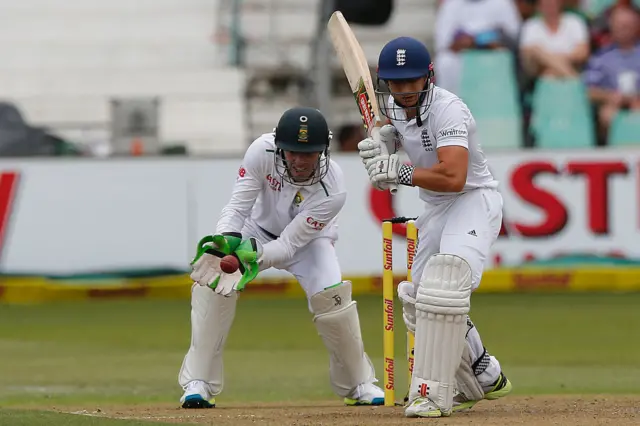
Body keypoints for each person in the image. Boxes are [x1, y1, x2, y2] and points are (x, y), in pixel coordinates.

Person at [178, 107, 384, 408]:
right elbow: (237, 208)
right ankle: (198, 382)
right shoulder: (261, 151)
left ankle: (360, 383)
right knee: (214, 286)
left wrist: (252, 258)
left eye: (309, 154)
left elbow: (288, 246)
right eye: (292, 153)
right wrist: (225, 243)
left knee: (333, 300)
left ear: (323, 151)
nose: (300, 162)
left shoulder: (333, 188)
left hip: (310, 241)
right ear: (279, 146)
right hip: (255, 230)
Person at [358, 37, 512, 418]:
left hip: (473, 200)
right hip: (436, 207)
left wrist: (402, 170)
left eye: (413, 81)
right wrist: (382, 151)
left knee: (445, 286)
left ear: (428, 77)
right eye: (397, 83)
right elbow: (391, 137)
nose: (406, 91)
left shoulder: (449, 110)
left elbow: (455, 177)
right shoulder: (392, 108)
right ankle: (483, 376)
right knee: (418, 301)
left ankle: (431, 393)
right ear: (386, 83)